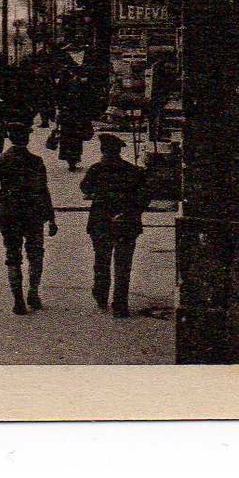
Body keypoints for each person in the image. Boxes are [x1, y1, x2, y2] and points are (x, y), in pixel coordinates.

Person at [0, 123, 58, 314]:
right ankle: (33, 292)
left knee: (12, 256)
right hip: (33, 214)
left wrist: (5, 199)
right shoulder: (36, 161)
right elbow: (44, 190)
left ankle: (18, 301)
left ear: (10, 137)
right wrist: (51, 218)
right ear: (27, 139)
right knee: (35, 254)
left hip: (9, 215)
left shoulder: (0, 160)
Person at [80, 133, 150, 317]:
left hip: (101, 221)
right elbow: (145, 197)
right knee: (123, 265)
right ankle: (120, 303)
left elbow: (85, 188)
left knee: (101, 260)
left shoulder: (96, 169)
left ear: (103, 151)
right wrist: (132, 212)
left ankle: (101, 294)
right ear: (119, 151)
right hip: (126, 223)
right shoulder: (133, 171)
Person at [54, 100, 94, 172]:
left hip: (67, 126)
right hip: (76, 125)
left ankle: (71, 163)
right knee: (76, 144)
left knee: (67, 144)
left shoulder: (64, 107)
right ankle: (73, 162)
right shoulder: (79, 105)